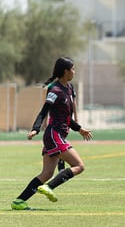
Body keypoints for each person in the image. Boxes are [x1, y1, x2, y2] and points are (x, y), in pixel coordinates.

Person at [11, 57, 92, 210]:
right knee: (79, 166)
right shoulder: (55, 90)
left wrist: (79, 128)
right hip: (54, 134)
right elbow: (44, 111)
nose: (75, 71)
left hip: (57, 135)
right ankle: (49, 188)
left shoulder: (69, 88)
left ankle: (19, 202)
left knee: (47, 173)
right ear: (65, 71)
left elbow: (67, 118)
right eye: (73, 69)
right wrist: (35, 128)